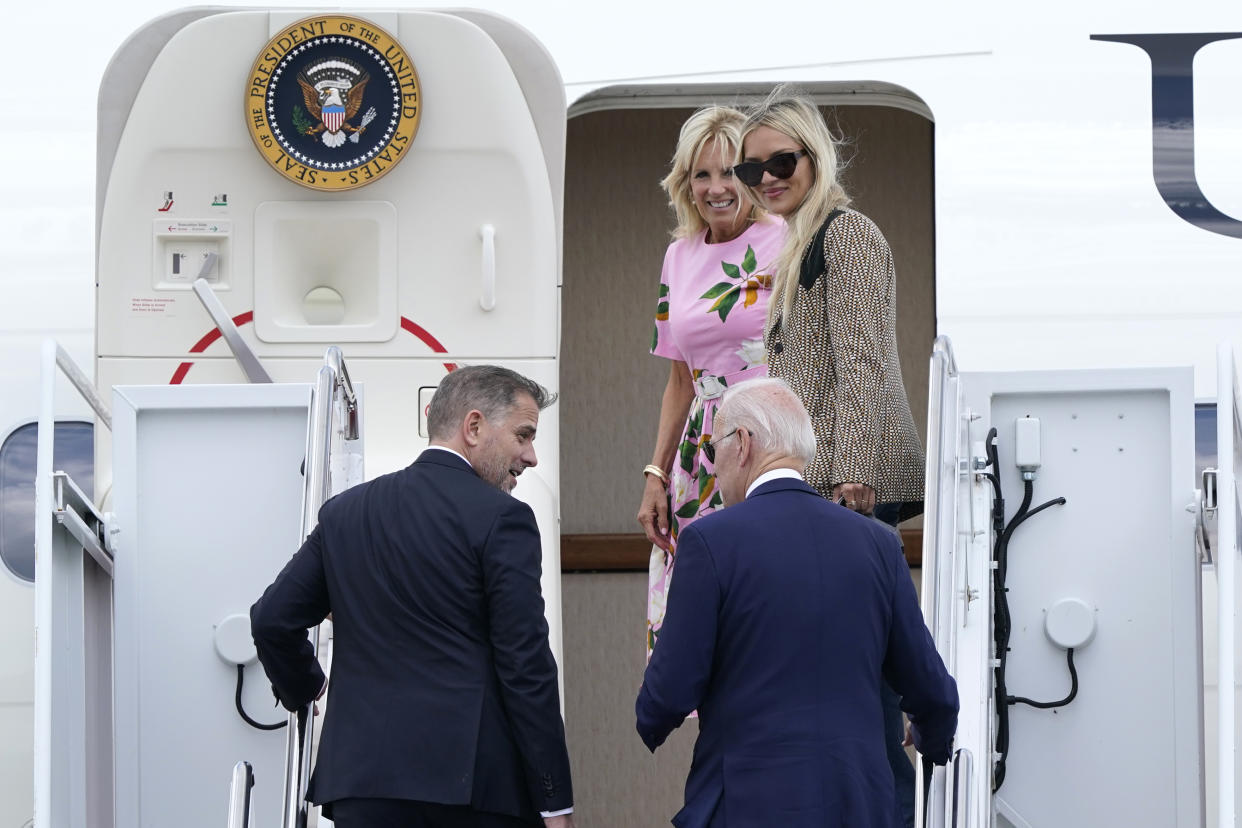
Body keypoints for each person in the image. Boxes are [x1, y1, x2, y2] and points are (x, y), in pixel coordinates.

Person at [250, 365, 575, 828]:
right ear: (474, 426)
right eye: (524, 435)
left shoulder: (345, 514)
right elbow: (526, 667)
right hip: (472, 790)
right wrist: (555, 801)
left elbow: (271, 620)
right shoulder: (504, 518)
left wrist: (309, 687)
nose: (532, 456)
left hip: (362, 787)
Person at [635, 378, 957, 828]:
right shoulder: (878, 544)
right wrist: (932, 740)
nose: (712, 467)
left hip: (746, 805)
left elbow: (671, 688)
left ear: (742, 443)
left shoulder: (711, 541)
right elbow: (930, 686)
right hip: (860, 804)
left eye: (714, 449)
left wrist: (649, 719)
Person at [735, 91, 926, 826]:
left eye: (781, 161)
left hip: (848, 489)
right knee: (839, 678)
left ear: (817, 155)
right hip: (819, 484)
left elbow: (864, 364)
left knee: (866, 684)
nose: (766, 178)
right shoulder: (798, 240)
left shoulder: (845, 234)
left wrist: (856, 478)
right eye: (754, 168)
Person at [639, 105, 785, 656]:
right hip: (702, 450)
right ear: (685, 183)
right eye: (702, 174)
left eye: (730, 172)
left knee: (764, 596)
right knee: (703, 607)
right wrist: (655, 473)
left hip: (772, 441)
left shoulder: (788, 240)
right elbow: (680, 379)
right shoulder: (678, 257)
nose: (716, 187)